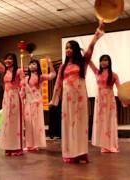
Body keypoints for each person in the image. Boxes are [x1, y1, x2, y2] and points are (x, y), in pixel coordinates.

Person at [50, 21, 104, 163]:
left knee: (80, 124)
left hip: (80, 97)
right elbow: (58, 84)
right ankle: (70, 153)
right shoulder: (63, 66)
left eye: (70, 48)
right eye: (66, 48)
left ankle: (81, 153)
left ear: (75, 49)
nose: (68, 50)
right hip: (67, 98)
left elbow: (91, 47)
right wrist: (54, 100)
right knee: (68, 124)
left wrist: (98, 32)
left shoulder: (82, 62)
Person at [0, 51, 24, 156]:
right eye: (6, 58)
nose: (8, 60)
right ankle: (9, 147)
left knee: (15, 123)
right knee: (7, 123)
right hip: (6, 98)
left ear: (14, 60)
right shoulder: (5, 70)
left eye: (11, 58)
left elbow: (23, 84)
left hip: (15, 98)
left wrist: (22, 91)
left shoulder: (18, 71)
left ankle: (17, 148)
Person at [89, 53, 124, 153]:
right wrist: (86, 53)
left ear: (109, 62)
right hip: (99, 100)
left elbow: (120, 89)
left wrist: (123, 100)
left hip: (109, 100)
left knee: (110, 122)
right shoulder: (97, 72)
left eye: (105, 60)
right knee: (101, 123)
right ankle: (104, 145)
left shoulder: (114, 75)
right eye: (101, 60)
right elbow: (90, 63)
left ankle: (112, 145)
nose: (103, 62)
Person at [21, 58, 56, 151]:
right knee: (28, 124)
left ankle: (35, 144)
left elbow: (53, 75)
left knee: (35, 124)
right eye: (31, 64)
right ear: (28, 66)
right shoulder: (25, 79)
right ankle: (29, 145)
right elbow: (23, 93)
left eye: (34, 64)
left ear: (38, 66)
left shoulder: (40, 77)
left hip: (36, 103)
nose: (32, 65)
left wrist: (50, 63)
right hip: (28, 103)